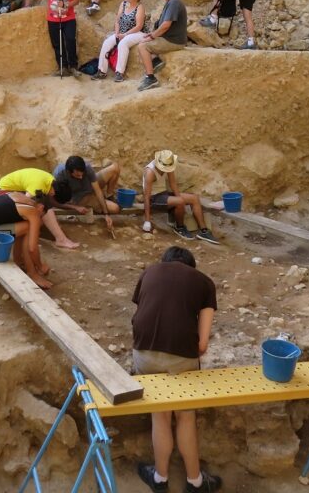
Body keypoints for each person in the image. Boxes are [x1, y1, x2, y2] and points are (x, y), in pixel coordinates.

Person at [132, 246, 222, 493]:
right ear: (191, 267)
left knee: (160, 414)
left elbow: (140, 317)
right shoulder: (204, 282)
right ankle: (195, 482)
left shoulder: (149, 272)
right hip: (182, 359)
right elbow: (202, 344)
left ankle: (160, 479)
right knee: (185, 415)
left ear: (164, 262)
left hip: (144, 354)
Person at [141, 150, 220, 244]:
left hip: (163, 193)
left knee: (194, 198)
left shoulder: (167, 164)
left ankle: (204, 231)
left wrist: (179, 200)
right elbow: (146, 197)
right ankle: (180, 227)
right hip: (154, 198)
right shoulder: (150, 172)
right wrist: (147, 221)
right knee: (180, 201)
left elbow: (173, 183)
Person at [0, 168, 79, 250]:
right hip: (1, 192)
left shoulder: (52, 182)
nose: (52, 195)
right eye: (53, 195)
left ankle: (61, 239)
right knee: (31, 211)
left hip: (15, 190)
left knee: (43, 205)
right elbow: (23, 205)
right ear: (54, 193)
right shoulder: (37, 186)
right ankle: (25, 235)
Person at [136, 0, 187, 91]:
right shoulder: (170, 2)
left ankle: (151, 78)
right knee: (144, 40)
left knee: (142, 46)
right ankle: (155, 61)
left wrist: (152, 36)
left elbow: (166, 25)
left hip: (174, 41)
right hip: (170, 39)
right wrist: (152, 34)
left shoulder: (174, 2)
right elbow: (162, 25)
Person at [92, 0, 148, 82]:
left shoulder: (140, 7)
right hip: (121, 32)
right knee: (107, 43)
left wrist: (125, 35)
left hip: (136, 33)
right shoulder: (123, 4)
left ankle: (119, 73)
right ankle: (102, 71)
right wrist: (117, 33)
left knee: (123, 43)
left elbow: (139, 26)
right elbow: (117, 21)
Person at [52, 156, 121, 230]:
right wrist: (76, 207)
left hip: (89, 186)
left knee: (115, 168)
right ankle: (96, 202)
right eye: (78, 175)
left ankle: (108, 196)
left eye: (82, 174)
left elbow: (97, 190)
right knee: (116, 208)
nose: (81, 177)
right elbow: (55, 201)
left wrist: (106, 214)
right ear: (69, 172)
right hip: (80, 197)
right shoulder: (59, 176)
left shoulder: (86, 167)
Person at [35, 0, 80, 77]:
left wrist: (66, 4)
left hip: (69, 18)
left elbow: (76, 0)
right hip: (52, 19)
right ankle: (63, 68)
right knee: (57, 44)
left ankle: (73, 67)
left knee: (70, 40)